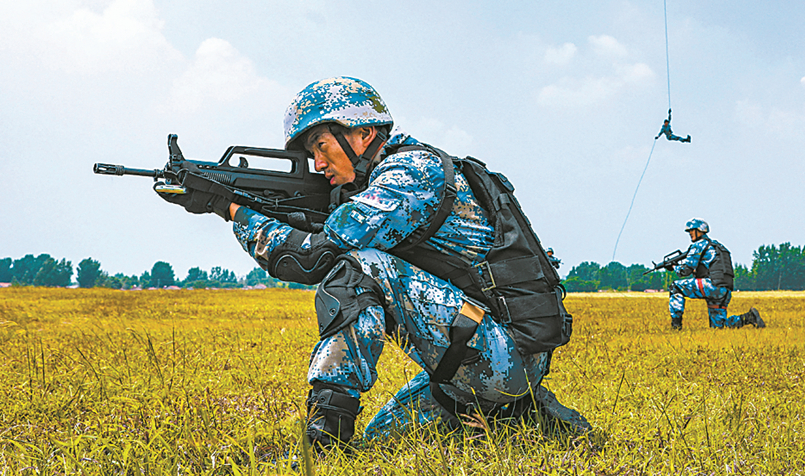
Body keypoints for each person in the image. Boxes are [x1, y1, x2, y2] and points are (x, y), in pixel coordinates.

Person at [159, 77, 588, 449]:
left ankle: (325, 439)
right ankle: (517, 413)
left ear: (363, 133)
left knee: (361, 267)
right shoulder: (383, 179)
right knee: (380, 440)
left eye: (322, 146)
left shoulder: (410, 174)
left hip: (501, 356)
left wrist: (232, 210)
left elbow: (312, 257)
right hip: (483, 359)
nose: (318, 164)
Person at [668, 219, 763, 330]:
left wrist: (674, 267)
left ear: (700, 231)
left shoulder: (698, 245)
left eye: (692, 230)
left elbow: (685, 271)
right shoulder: (718, 246)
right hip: (725, 290)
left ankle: (676, 326)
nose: (690, 233)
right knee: (718, 327)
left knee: (675, 287)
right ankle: (748, 317)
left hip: (711, 286)